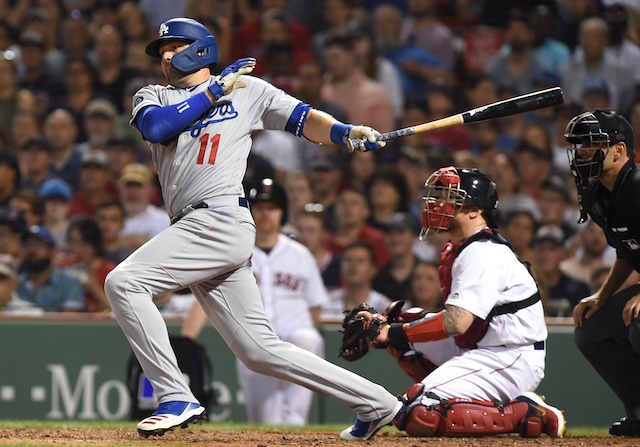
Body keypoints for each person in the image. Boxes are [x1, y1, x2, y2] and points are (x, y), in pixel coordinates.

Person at [105, 17, 402, 440]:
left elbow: (302, 118)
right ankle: (378, 402)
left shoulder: (248, 90)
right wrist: (213, 90)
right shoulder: (153, 95)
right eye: (162, 49)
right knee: (258, 351)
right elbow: (156, 127)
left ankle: (175, 395)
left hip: (219, 217)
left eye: (174, 45)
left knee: (124, 283)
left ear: (201, 47)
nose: (166, 55)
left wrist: (344, 132)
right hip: (192, 223)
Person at [352, 166, 565, 438]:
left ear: (475, 210)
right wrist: (387, 326)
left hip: (509, 356)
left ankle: (528, 412)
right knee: (404, 329)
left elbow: (457, 322)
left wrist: (391, 331)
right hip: (481, 347)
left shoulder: (483, 252)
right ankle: (462, 398)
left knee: (419, 413)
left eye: (449, 197)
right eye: (437, 195)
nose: (437, 203)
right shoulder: (461, 247)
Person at [184, 178, 328, 425]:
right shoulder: (231, 252)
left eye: (272, 208)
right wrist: (186, 340)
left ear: (282, 212)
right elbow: (207, 298)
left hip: (295, 339)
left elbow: (315, 307)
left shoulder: (300, 254)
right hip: (254, 343)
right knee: (262, 422)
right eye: (259, 207)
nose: (265, 214)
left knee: (308, 339)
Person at [567, 108, 640, 437]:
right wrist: (603, 294)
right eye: (579, 145)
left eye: (592, 144)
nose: (583, 152)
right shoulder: (598, 195)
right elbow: (628, 252)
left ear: (619, 150)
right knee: (592, 327)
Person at [16, 225, 85, 312]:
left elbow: (70, 319)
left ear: (51, 250)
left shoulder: (69, 280)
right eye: (28, 245)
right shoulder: (18, 282)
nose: (32, 250)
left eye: (38, 245)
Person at [320, 241, 392, 322]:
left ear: (373, 270)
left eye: (360, 260)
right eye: (348, 260)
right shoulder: (325, 303)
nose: (353, 265)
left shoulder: (384, 308)